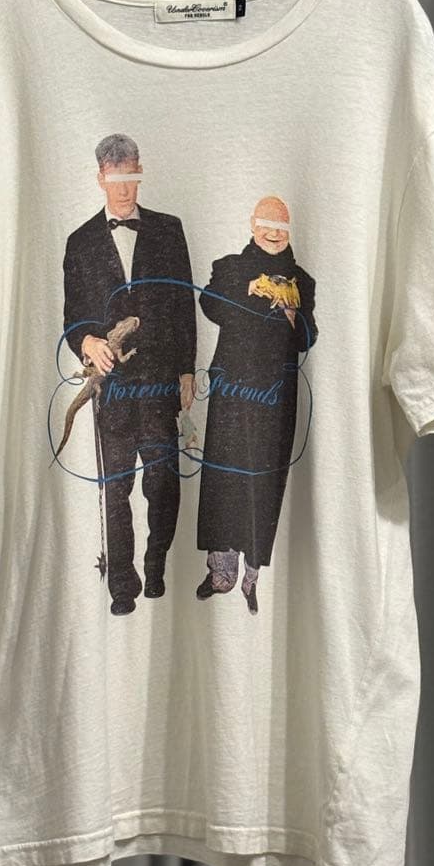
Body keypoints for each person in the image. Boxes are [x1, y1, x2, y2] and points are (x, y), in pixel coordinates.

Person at [62, 134, 196, 615]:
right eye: (115, 178)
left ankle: (156, 562)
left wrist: (186, 370)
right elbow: (73, 316)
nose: (124, 188)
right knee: (114, 486)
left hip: (160, 381)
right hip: (113, 389)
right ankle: (122, 582)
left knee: (162, 481)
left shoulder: (169, 230)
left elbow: (183, 303)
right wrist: (88, 342)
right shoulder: (80, 242)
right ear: (101, 178)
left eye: (131, 176)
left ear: (140, 172)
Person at [195, 197, 317, 614]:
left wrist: (292, 315)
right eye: (266, 223)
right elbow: (210, 304)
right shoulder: (229, 267)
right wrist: (249, 288)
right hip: (232, 393)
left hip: (276, 398)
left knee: (264, 481)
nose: (273, 232)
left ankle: (252, 575)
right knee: (224, 476)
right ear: (252, 224)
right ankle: (220, 571)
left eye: (281, 225)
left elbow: (307, 339)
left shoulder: (303, 281)